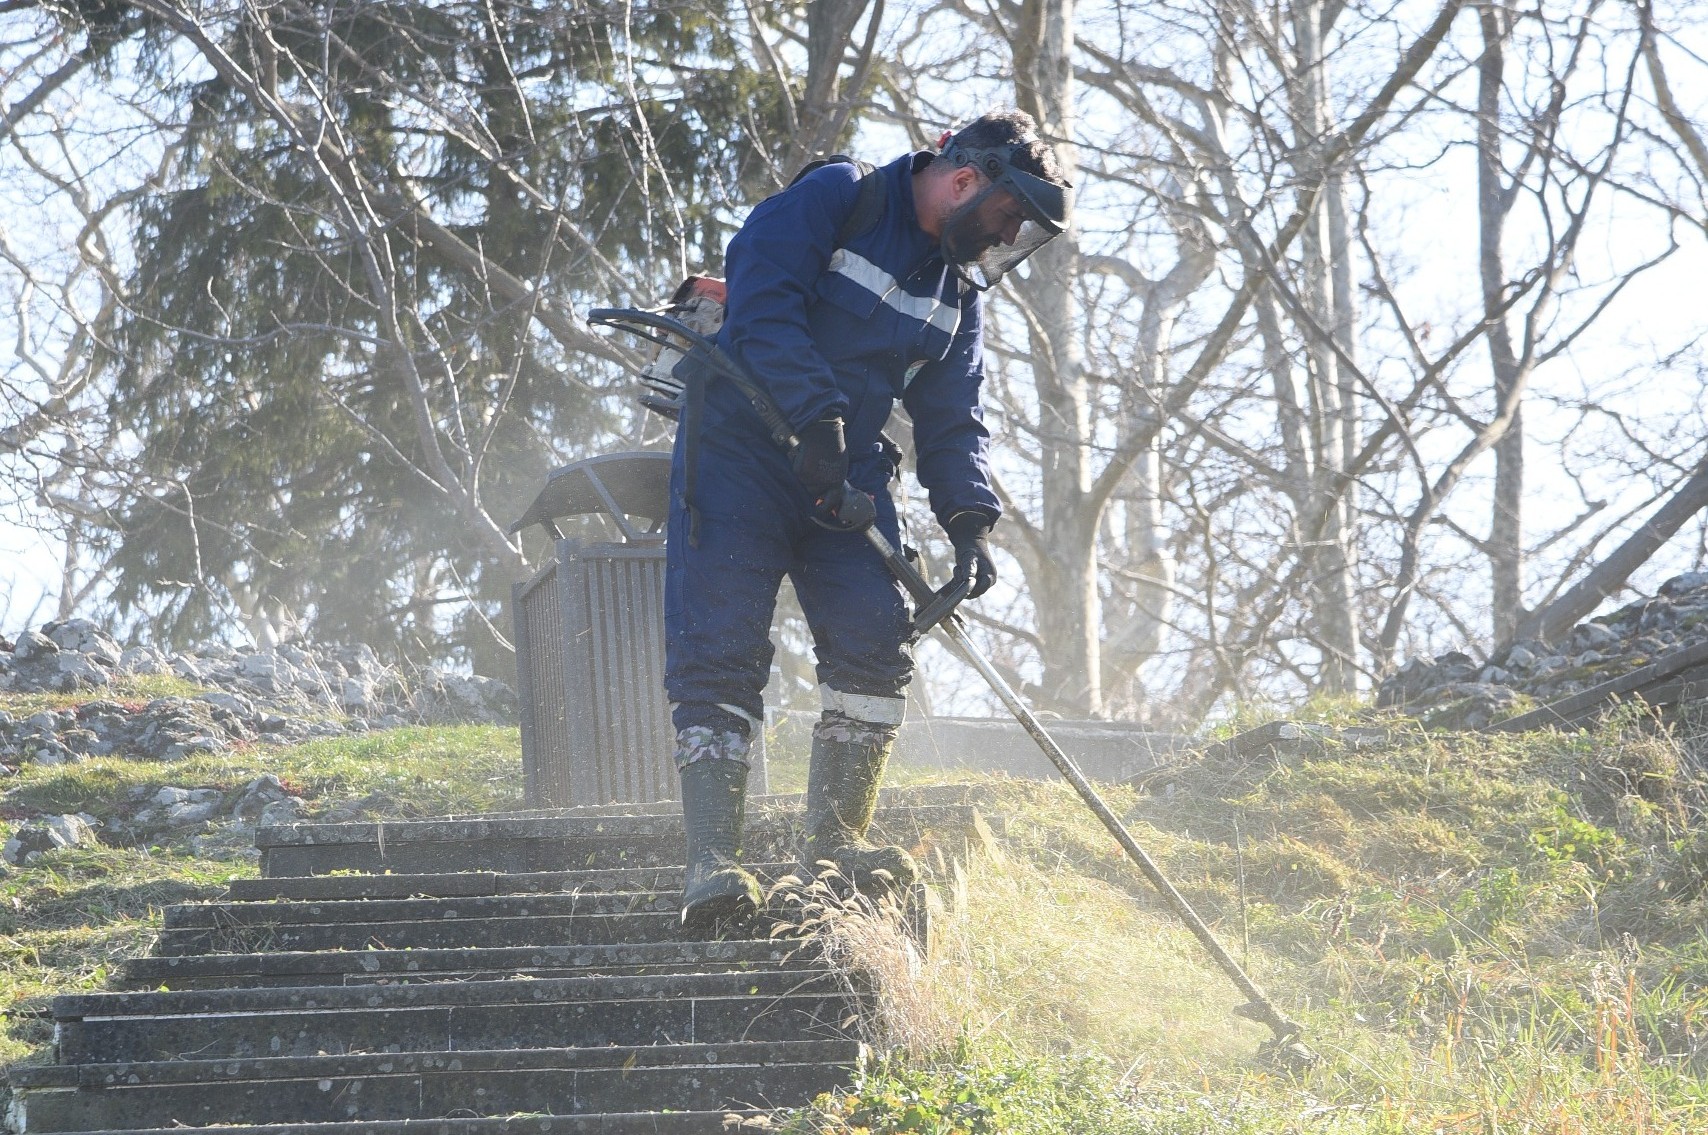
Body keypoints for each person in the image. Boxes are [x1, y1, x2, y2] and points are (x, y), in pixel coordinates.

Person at [665, 110, 1072, 935]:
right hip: (740, 451)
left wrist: (969, 524)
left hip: (845, 479)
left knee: (875, 643)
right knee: (721, 646)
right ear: (965, 179)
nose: (1003, 242)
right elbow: (763, 293)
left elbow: (955, 418)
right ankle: (713, 859)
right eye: (1003, 219)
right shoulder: (838, 196)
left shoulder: (958, 295)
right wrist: (816, 419)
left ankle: (832, 845)